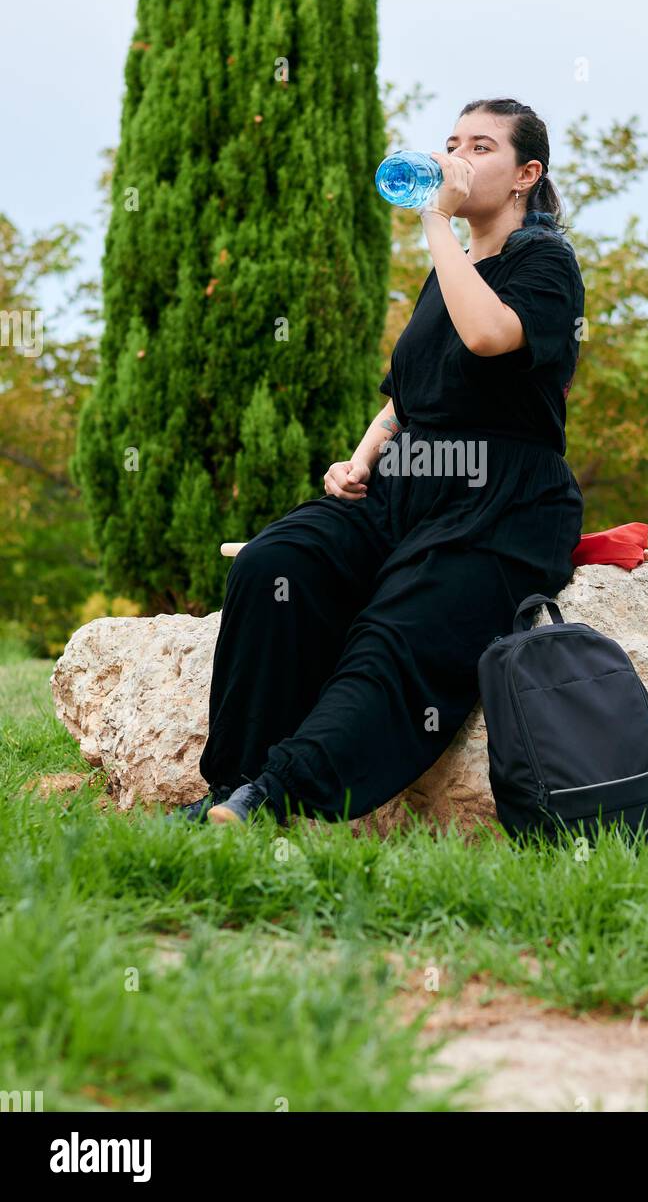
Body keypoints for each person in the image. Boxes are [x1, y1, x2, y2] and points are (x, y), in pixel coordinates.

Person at [172, 97, 585, 827]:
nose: (456, 157)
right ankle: (230, 781)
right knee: (275, 565)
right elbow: (407, 396)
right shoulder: (450, 271)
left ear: (527, 173)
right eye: (452, 142)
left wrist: (436, 220)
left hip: (502, 500)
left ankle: (275, 795)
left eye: (481, 147)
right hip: (403, 485)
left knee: (394, 633)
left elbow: (491, 339)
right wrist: (359, 458)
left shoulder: (544, 260)